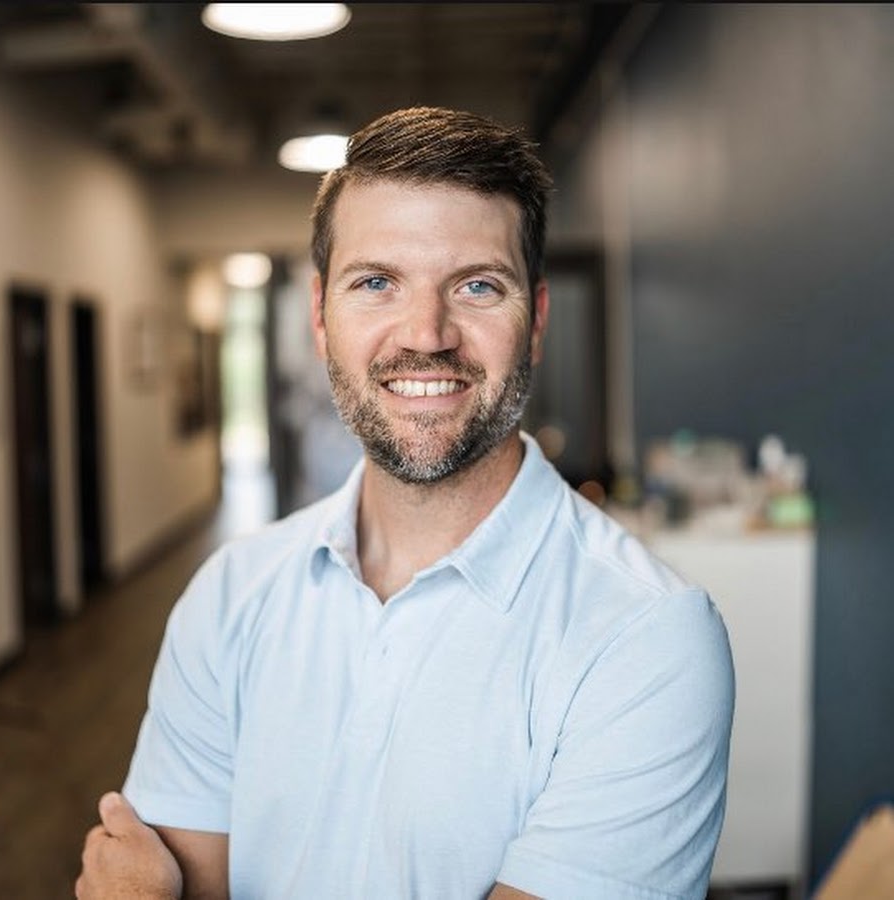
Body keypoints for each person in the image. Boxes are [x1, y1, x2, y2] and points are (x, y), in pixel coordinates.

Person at [76, 106, 734, 900]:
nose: (426, 333)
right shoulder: (229, 594)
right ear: (321, 318)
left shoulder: (645, 638)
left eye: (479, 286)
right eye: (377, 282)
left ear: (536, 324)